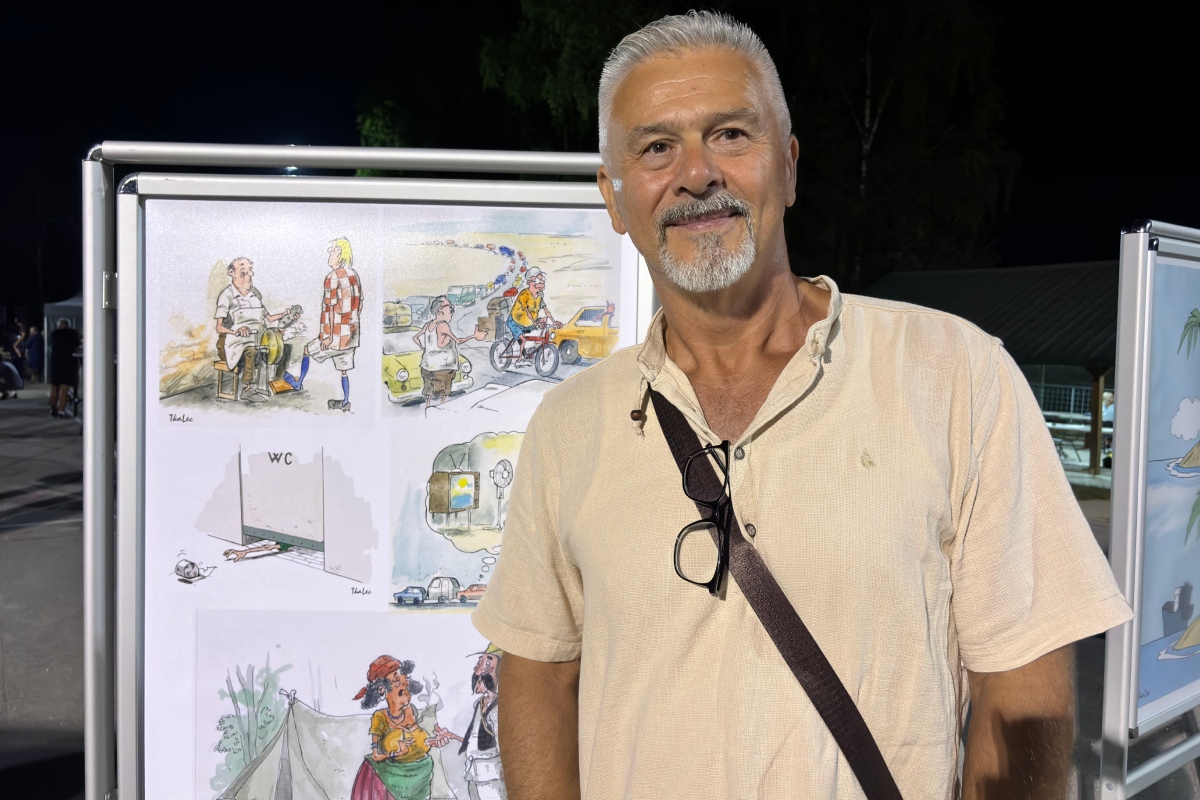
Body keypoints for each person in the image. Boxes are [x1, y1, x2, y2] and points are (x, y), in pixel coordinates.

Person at [472, 12, 1132, 800]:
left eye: (730, 135)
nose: (696, 174)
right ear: (613, 199)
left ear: (787, 168)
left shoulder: (956, 375)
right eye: (655, 148)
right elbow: (539, 672)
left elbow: (1023, 678)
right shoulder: (568, 426)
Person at [349, 655, 455, 800]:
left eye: (404, 680)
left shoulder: (409, 711)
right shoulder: (380, 717)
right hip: (384, 780)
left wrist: (435, 741)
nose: (404, 686)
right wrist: (396, 753)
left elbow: (419, 741)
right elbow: (375, 755)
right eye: (396, 681)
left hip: (418, 777)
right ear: (382, 689)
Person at [286, 238, 362, 412]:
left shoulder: (332, 277)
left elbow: (329, 309)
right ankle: (345, 402)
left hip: (335, 337)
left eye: (332, 250)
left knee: (307, 350)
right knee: (343, 369)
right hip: (351, 335)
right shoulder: (354, 275)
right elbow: (360, 304)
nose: (329, 252)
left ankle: (298, 383)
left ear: (340, 253)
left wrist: (327, 337)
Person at [428, 644, 507, 800]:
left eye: (487, 660)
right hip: (474, 774)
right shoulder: (480, 704)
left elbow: (502, 742)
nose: (479, 663)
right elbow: (476, 741)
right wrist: (452, 736)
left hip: (491, 776)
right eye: (481, 659)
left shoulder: (499, 707)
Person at [213, 257, 295, 403]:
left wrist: (285, 315)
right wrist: (236, 331)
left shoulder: (254, 294)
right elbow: (219, 327)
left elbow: (269, 317)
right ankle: (247, 389)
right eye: (243, 272)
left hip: (256, 339)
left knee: (284, 347)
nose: (249, 275)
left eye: (250, 271)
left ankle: (278, 383)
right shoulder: (227, 296)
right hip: (233, 343)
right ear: (232, 273)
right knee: (251, 350)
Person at [414, 295, 485, 407]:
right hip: (443, 367)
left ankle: (428, 410)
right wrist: (474, 336)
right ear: (440, 310)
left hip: (427, 366)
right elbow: (458, 341)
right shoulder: (443, 325)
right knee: (443, 397)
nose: (452, 309)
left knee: (429, 394)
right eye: (449, 307)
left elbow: (415, 338)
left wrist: (426, 350)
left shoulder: (428, 325)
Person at [506, 268, 560, 351]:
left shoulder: (540, 295)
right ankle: (521, 358)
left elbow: (546, 311)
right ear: (529, 282)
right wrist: (535, 323)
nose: (541, 282)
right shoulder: (524, 294)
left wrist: (553, 321)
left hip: (529, 323)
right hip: (515, 323)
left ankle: (536, 346)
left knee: (545, 321)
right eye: (537, 280)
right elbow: (527, 312)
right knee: (523, 340)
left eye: (542, 279)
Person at [48, 320, 81, 417]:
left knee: (55, 387)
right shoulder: (72, 334)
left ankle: (53, 408)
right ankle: (61, 411)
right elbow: (77, 345)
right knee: (65, 388)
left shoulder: (54, 334)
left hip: (56, 362)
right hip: (68, 362)